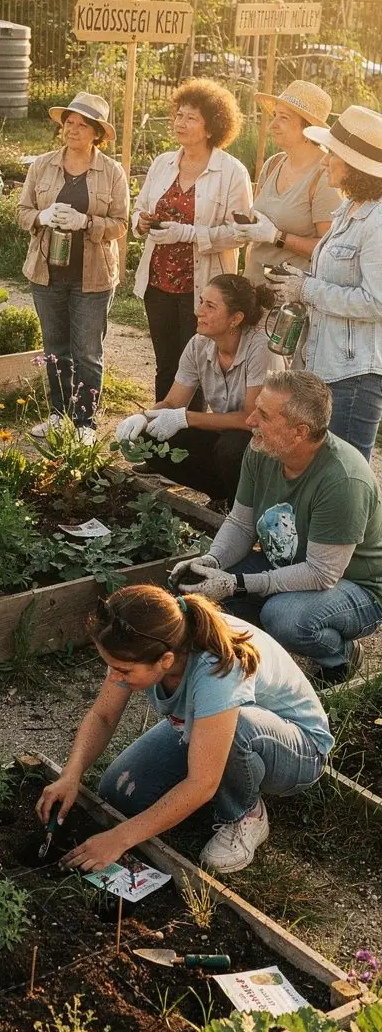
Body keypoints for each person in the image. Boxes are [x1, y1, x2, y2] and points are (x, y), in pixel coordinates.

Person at [36, 583, 332, 874]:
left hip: (299, 749)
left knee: (234, 734)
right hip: (210, 726)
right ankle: (216, 785)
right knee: (120, 793)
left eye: (124, 671)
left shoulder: (218, 670)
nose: (116, 677)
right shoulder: (154, 640)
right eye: (111, 666)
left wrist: (119, 838)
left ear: (165, 661)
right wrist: (71, 775)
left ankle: (244, 813)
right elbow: (103, 715)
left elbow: (201, 783)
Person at [172, 370, 382, 685]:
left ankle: (340, 655)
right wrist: (212, 562)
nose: (250, 420)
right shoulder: (262, 450)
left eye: (264, 415)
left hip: (355, 586)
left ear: (299, 432)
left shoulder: (342, 479)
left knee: (283, 616)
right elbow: (241, 523)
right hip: (289, 562)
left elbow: (321, 574)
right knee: (208, 593)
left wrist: (237, 583)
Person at [267, 106, 382, 461]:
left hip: (353, 375)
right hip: (323, 364)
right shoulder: (348, 210)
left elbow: (377, 301)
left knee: (343, 477)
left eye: (332, 154)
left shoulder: (377, 221)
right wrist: (298, 284)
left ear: (355, 165)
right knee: (317, 470)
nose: (323, 161)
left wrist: (307, 289)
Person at [17, 92, 129, 445]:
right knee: (54, 347)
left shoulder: (111, 172)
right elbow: (21, 212)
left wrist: (87, 222)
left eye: (83, 125)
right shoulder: (43, 166)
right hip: (47, 273)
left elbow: (121, 223)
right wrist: (41, 216)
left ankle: (85, 422)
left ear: (97, 133)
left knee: (87, 351)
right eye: (69, 122)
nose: (73, 129)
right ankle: (58, 414)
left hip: (92, 276)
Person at [132, 79, 252, 403]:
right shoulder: (162, 163)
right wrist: (140, 222)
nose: (180, 123)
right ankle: (160, 445)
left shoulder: (232, 172)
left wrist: (187, 234)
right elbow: (140, 206)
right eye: (179, 115)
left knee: (197, 370)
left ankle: (192, 449)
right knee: (165, 365)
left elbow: (241, 233)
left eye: (191, 118)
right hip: (158, 283)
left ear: (212, 127)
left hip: (202, 290)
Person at [115, 275, 282, 506]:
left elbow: (252, 420)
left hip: (266, 446)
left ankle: (243, 507)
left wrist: (186, 417)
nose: (198, 311)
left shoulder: (261, 348)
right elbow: (173, 402)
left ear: (236, 319)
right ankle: (220, 497)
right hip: (228, 437)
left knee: (233, 446)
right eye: (201, 301)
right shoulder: (198, 344)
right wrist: (141, 418)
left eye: (210, 306)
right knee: (149, 436)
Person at [241, 81, 341, 282]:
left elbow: (328, 252)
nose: (272, 124)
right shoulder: (273, 164)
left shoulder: (324, 177)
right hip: (253, 289)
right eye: (275, 115)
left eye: (283, 118)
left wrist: (276, 237)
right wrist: (245, 229)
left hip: (288, 300)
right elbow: (259, 220)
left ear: (308, 129)